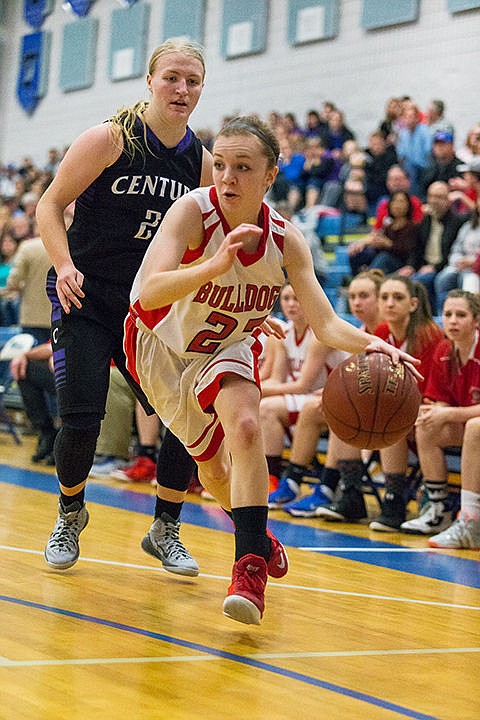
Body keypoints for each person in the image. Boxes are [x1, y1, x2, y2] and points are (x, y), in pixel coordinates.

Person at [125, 115, 420, 625]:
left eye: (243, 167)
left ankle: (248, 569)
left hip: (229, 344)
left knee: (245, 426)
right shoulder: (190, 213)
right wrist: (213, 267)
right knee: (213, 473)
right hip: (161, 348)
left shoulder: (287, 239)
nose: (227, 177)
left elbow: (326, 324)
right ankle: (258, 534)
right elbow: (148, 293)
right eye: (219, 165)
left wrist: (375, 344)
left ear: (270, 175)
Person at [36, 39, 213, 572]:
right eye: (173, 78)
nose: (182, 90)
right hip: (86, 295)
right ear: (150, 80)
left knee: (185, 415)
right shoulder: (110, 139)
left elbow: (205, 242)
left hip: (149, 307)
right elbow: (49, 205)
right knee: (83, 416)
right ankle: (70, 514)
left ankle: (166, 527)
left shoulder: (200, 162)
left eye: (193, 81)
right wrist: (65, 264)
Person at [319, 276, 443, 526]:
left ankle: (395, 500)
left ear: (413, 304)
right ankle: (352, 494)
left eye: (397, 298)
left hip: (427, 408)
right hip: (402, 411)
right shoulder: (382, 332)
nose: (389, 303)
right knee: (346, 414)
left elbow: (433, 392)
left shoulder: (430, 336)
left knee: (388, 418)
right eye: (385, 297)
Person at [268, 269, 383, 515]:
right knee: (310, 409)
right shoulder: (359, 330)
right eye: (352, 297)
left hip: (340, 401)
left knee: (272, 407)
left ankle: (327, 485)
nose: (356, 303)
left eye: (363, 296)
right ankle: (291, 481)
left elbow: (304, 385)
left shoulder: (326, 334)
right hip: (329, 400)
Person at [402, 290, 480, 539]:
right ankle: (436, 509)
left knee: (474, 426)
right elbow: (441, 400)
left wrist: (447, 413)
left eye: (461, 315)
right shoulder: (444, 350)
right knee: (427, 424)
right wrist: (436, 410)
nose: (453, 320)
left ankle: (471, 519)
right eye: (448, 314)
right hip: (467, 425)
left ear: (476, 321)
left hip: (473, 426)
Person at [401, 181, 464, 313]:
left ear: (448, 200)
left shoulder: (456, 221)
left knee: (421, 282)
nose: (434, 201)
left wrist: (435, 267)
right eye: (431, 196)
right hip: (424, 267)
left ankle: (435, 319)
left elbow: (453, 251)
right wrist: (411, 266)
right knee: (402, 280)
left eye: (439, 197)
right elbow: (416, 248)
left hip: (445, 267)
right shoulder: (425, 220)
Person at [348, 190, 419, 275]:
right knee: (359, 254)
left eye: (401, 201)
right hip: (384, 256)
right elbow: (379, 245)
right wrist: (371, 243)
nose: (397, 205)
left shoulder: (412, 227)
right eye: (394, 201)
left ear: (408, 205)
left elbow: (409, 251)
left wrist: (389, 244)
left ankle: (371, 279)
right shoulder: (388, 225)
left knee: (384, 258)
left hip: (401, 262)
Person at [9, 341, 57, 464]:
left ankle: (66, 439)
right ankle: (46, 431)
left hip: (88, 373)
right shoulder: (64, 323)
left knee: (66, 373)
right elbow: (50, 346)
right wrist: (24, 355)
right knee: (24, 368)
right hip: (62, 368)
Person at [434, 194, 480, 310]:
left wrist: (473, 262)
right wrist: (458, 261)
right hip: (460, 265)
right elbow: (456, 248)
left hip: (476, 268)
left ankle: (469, 316)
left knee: (467, 280)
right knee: (443, 278)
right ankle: (442, 316)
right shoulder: (468, 226)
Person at [396, 104, 433, 195]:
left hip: (424, 168)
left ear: (417, 118)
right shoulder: (403, 133)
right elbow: (401, 155)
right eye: (406, 117)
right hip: (408, 169)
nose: (409, 120)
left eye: (411, 117)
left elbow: (429, 152)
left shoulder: (425, 131)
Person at [418, 130, 462, 201]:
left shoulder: (461, 168)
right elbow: (422, 193)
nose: (439, 147)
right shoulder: (428, 169)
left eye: (443, 144)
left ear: (452, 146)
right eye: (436, 144)